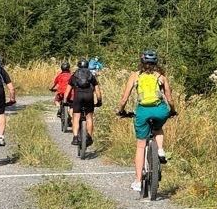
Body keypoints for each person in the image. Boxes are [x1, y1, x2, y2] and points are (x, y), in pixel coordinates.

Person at [116, 49, 175, 192]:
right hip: (160, 110)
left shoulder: (135, 76)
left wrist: (120, 110)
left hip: (143, 111)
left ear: (142, 62)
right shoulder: (161, 76)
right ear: (156, 63)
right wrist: (172, 110)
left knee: (141, 146)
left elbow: (124, 98)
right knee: (158, 128)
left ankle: (137, 181)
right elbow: (169, 98)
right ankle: (160, 150)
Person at [64, 58, 102, 147]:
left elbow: (67, 90)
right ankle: (89, 137)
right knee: (89, 117)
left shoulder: (74, 75)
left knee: (76, 117)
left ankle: (75, 137)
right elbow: (97, 90)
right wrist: (99, 100)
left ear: (78, 65)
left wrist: (65, 100)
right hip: (89, 97)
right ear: (87, 65)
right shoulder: (91, 75)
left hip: (78, 97)